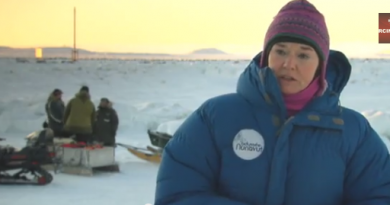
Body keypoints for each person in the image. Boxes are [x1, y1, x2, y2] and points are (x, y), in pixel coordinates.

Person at [154, 1, 390, 205]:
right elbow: (178, 195)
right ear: (267, 55)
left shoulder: (353, 132)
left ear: (321, 65)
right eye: (281, 51)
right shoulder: (215, 117)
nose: (289, 64)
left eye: (304, 55)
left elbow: (380, 196)